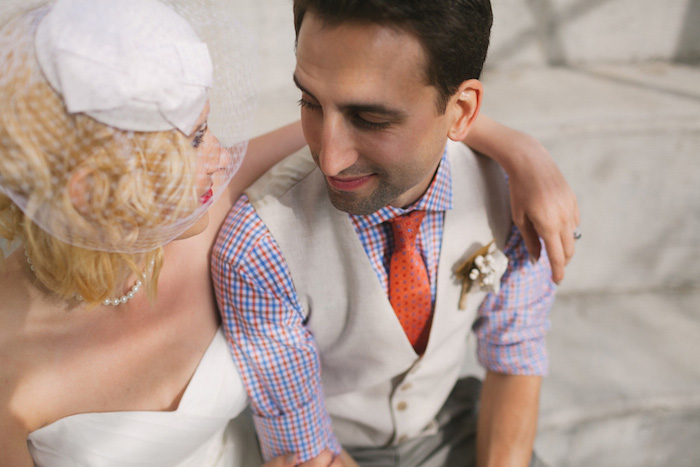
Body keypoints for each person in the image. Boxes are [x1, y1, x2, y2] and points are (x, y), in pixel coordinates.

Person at [0, 0, 574, 466]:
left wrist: (523, 153)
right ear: (94, 191)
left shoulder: (196, 209)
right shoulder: (240, 234)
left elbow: (391, 123)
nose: (225, 155)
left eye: (208, 127)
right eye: (198, 138)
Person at [212, 0, 564, 465]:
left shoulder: (511, 196)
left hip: (450, 426)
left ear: (460, 112)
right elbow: (306, 450)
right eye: (310, 103)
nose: (330, 158)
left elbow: (515, 357)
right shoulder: (257, 246)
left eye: (371, 119)